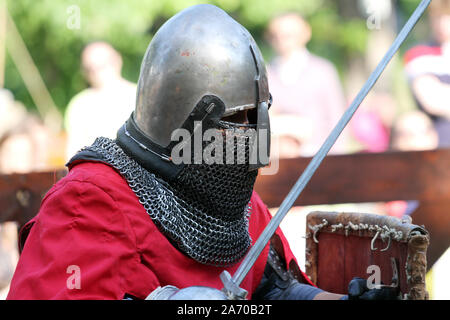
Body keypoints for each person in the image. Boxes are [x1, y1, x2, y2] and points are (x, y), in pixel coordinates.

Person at [6, 5, 396, 300]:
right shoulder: (89, 202)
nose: (254, 138)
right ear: (183, 123)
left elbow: (274, 289)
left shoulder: (233, 200)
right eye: (238, 118)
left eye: (259, 114)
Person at [266, 13, 350, 157]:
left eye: (288, 35)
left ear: (305, 34)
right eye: (276, 35)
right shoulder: (264, 74)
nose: (282, 41)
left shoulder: (323, 71)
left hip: (317, 158)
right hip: (277, 161)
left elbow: (337, 119)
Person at [64, 41, 136, 160]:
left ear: (117, 60)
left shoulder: (139, 96)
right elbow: (73, 152)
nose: (96, 72)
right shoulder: (79, 104)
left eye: (102, 65)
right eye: (90, 68)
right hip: (93, 172)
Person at [404, 0, 450, 148]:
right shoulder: (419, 55)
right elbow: (433, 100)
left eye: (447, 16)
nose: (442, 23)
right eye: (437, 16)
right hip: (438, 146)